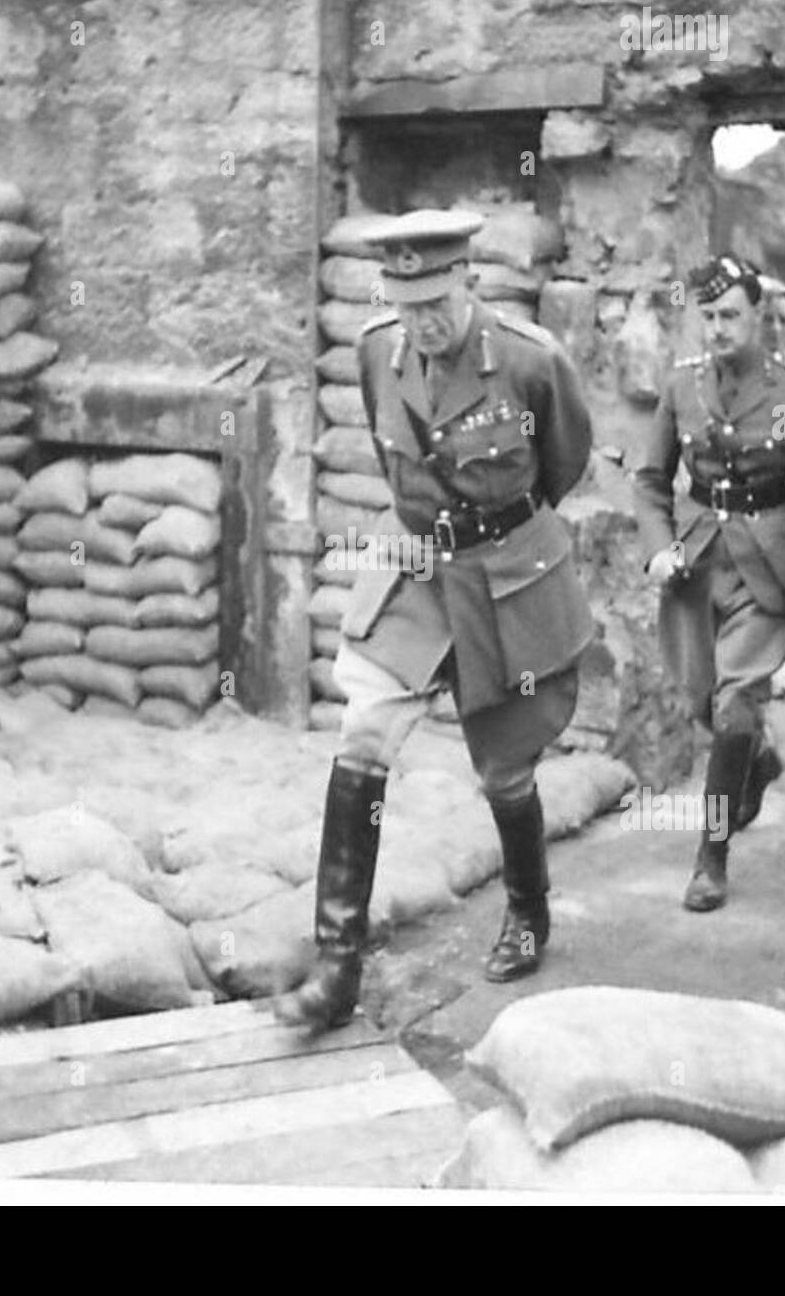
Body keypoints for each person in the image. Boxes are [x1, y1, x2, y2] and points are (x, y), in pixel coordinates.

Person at [275, 210, 594, 1034]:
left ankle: (527, 908)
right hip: (416, 564)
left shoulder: (529, 362)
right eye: (407, 303)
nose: (423, 323)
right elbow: (394, 464)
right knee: (364, 736)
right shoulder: (377, 347)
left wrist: (498, 531)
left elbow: (564, 462)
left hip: (505, 578)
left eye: (437, 305)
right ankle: (337, 963)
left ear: (469, 285)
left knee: (504, 770)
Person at [634, 254, 785, 912]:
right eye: (708, 316)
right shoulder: (680, 386)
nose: (717, 328)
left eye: (729, 315)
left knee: (732, 704)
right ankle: (751, 759)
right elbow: (647, 482)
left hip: (765, 572)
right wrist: (655, 549)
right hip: (696, 565)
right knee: (700, 701)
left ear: (757, 317)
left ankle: (710, 858)